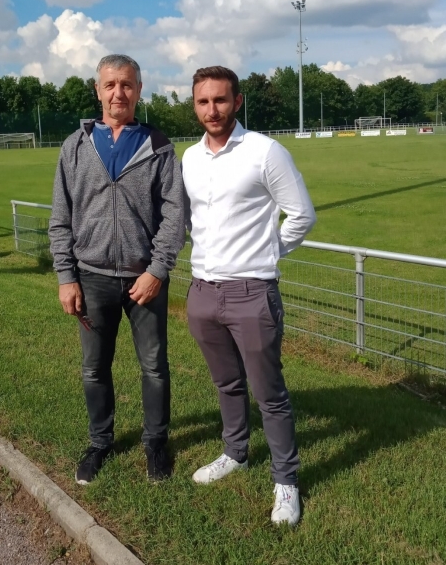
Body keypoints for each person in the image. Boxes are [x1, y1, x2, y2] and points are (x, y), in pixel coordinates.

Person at [181, 66, 316, 525]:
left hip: (252, 292)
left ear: (237, 102)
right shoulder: (189, 158)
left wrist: (268, 251)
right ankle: (235, 453)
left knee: (269, 394)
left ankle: (286, 482)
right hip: (201, 292)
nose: (211, 110)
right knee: (226, 384)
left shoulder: (265, 152)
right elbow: (189, 220)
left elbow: (301, 214)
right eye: (203, 101)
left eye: (220, 100)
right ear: (194, 104)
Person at [49, 54, 185, 485]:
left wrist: (158, 270)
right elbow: (60, 217)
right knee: (94, 368)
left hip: (145, 280)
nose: (118, 93)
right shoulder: (75, 146)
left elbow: (174, 216)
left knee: (154, 367)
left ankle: (156, 443)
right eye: (110, 85)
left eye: (127, 85)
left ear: (139, 91)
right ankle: (100, 442)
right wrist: (66, 277)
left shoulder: (158, 145)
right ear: (98, 90)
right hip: (91, 278)